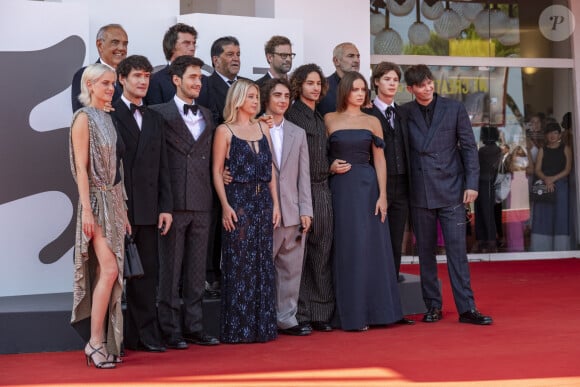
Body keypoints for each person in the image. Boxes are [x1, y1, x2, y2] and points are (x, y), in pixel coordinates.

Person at [400, 64, 492, 325]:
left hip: (451, 189)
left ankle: (467, 308)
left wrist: (471, 183)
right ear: (410, 89)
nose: (427, 88)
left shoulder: (454, 108)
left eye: (429, 82)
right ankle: (432, 306)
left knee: (457, 252)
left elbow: (468, 148)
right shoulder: (404, 112)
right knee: (426, 252)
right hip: (420, 190)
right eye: (421, 85)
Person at [325, 71, 404, 331]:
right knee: (347, 247)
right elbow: (318, 156)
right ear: (344, 91)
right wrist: (329, 167)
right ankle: (351, 314)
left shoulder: (372, 122)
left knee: (371, 247)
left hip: (368, 188)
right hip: (341, 189)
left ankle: (377, 312)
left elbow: (380, 161)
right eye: (355, 89)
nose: (360, 94)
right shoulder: (329, 119)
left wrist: (382, 195)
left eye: (363, 90)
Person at [150, 55, 219, 349]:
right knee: (170, 270)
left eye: (200, 78)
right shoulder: (158, 114)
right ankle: (169, 329)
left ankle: (194, 326)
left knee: (196, 271)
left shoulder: (208, 113)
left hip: (203, 201)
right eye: (193, 77)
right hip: (173, 203)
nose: (198, 83)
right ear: (176, 80)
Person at [69, 63, 130, 368]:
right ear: (89, 85)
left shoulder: (108, 117)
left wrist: (125, 209)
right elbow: (80, 168)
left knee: (111, 273)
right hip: (95, 201)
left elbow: (118, 168)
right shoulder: (83, 119)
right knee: (108, 270)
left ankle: (102, 340)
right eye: (104, 83)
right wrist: (87, 211)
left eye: (112, 83)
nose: (110, 88)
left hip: (115, 202)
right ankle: (94, 342)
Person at [111, 55, 172, 353]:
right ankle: (113, 339)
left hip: (148, 208)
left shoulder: (155, 118)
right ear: (121, 79)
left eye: (147, 76)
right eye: (137, 75)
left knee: (146, 275)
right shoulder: (107, 116)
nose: (143, 81)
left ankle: (145, 336)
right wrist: (117, 209)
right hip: (115, 208)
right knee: (112, 276)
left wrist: (166, 206)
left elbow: (163, 167)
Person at [212, 79, 281, 343]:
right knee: (239, 263)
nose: (256, 101)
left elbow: (271, 169)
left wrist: (275, 204)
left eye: (257, 97)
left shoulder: (264, 127)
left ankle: (262, 328)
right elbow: (217, 172)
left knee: (263, 263)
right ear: (238, 98)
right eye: (251, 96)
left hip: (263, 202)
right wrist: (225, 206)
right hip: (238, 201)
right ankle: (238, 328)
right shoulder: (224, 131)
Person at [286, 64, 334, 332]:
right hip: (298, 192)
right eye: (310, 83)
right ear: (299, 85)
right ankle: (300, 314)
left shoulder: (320, 117)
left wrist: (331, 166)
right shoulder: (291, 115)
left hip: (323, 189)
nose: (315, 88)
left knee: (322, 251)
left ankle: (321, 313)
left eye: (318, 84)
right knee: (299, 256)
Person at [363, 61, 409, 281]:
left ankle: (393, 282)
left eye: (395, 80)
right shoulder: (365, 112)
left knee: (396, 237)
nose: (392, 84)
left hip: (402, 185)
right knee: (374, 236)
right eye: (387, 79)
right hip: (376, 184)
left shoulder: (403, 114)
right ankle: (375, 285)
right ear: (376, 82)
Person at [144, 23, 209, 107]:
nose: (192, 48)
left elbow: (212, 114)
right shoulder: (156, 81)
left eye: (194, 43)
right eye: (186, 43)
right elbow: (155, 115)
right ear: (171, 46)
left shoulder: (205, 81)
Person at [530, 122, 572, 251]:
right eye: (549, 133)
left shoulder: (566, 148)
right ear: (546, 135)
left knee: (561, 215)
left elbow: (568, 169)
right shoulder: (543, 149)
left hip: (561, 186)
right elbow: (537, 169)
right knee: (543, 215)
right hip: (544, 185)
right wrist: (546, 179)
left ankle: (561, 248)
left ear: (559, 134)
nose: (552, 136)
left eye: (555, 133)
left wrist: (552, 179)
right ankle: (541, 248)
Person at [71, 24, 128, 112]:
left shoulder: (131, 76)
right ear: (100, 45)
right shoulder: (84, 74)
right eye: (115, 42)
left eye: (125, 44)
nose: (121, 48)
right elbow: (82, 114)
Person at [473, 126, 502, 253]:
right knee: (489, 213)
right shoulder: (498, 150)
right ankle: (490, 239)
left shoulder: (483, 151)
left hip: (482, 183)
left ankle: (485, 240)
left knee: (481, 213)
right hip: (492, 183)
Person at [207, 36, 247, 126]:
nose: (236, 58)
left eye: (238, 54)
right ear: (216, 60)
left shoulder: (250, 85)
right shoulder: (206, 86)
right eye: (230, 54)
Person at [317, 42, 360, 116]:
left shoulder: (363, 89)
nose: (357, 60)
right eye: (351, 56)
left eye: (358, 56)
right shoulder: (321, 86)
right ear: (336, 61)